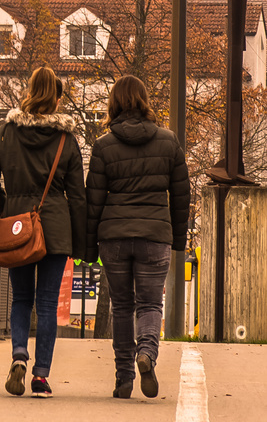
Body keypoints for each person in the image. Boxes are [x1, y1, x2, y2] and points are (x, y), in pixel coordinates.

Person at [0, 66, 86, 399]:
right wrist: (80, 242)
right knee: (48, 302)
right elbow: (77, 194)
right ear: (55, 96)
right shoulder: (66, 138)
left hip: (19, 226)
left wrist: (8, 208)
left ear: (28, 91)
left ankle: (19, 354)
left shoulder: (7, 131)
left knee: (22, 298)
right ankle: (41, 376)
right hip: (54, 228)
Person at [85, 75, 189, 400]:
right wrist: (178, 240)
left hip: (113, 237)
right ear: (144, 101)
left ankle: (123, 379)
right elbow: (182, 196)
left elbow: (94, 201)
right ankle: (146, 353)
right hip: (154, 234)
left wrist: (89, 244)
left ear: (114, 103)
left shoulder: (103, 145)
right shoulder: (169, 141)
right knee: (149, 303)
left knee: (121, 307)